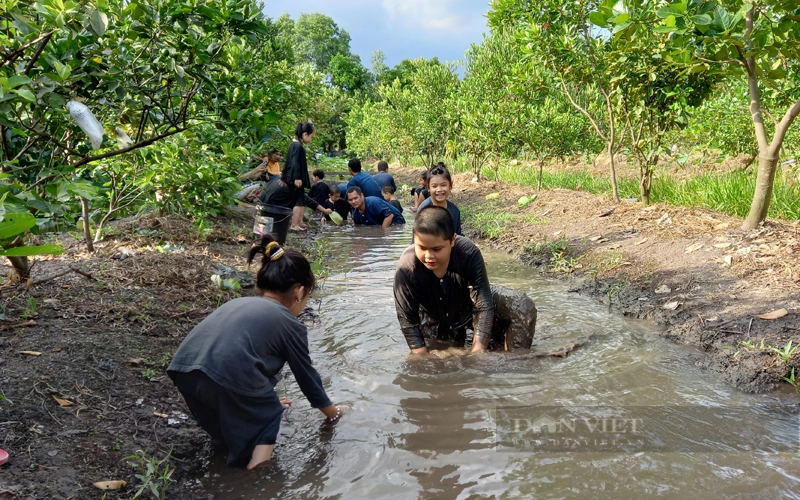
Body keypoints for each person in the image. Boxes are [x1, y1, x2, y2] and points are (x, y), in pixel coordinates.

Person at [168, 235, 348, 469]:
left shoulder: (239, 304)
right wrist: (333, 414)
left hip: (184, 369)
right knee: (269, 415)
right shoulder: (289, 323)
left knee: (225, 432)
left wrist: (262, 399)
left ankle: (227, 461)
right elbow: (307, 379)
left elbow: (237, 349)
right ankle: (255, 477)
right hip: (227, 374)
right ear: (299, 292)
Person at [393, 206, 492, 353]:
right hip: (430, 315)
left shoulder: (468, 253)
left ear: (452, 240)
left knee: (519, 306)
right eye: (421, 247)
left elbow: (483, 304)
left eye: (437, 249)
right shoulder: (406, 268)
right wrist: (422, 357)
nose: (428, 256)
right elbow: (408, 321)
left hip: (465, 307)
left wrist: (477, 352)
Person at [282, 122, 315, 232]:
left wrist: (283, 176)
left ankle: (299, 221)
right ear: (305, 134)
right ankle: (294, 224)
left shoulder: (294, 145)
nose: (311, 139)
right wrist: (296, 177)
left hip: (294, 177)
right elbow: (294, 162)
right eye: (311, 137)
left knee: (301, 199)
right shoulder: (298, 146)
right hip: (296, 178)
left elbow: (288, 162)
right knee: (299, 201)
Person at [416, 163, 462, 236]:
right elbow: (417, 239)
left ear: (451, 185)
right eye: (434, 186)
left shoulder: (454, 210)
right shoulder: (424, 209)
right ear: (428, 188)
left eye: (443, 185)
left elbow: (458, 237)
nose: (439, 189)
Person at [258, 175, 332, 218]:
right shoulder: (291, 188)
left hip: (262, 204)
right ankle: (295, 223)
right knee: (300, 202)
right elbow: (308, 201)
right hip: (273, 209)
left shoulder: (277, 177)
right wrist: (325, 210)